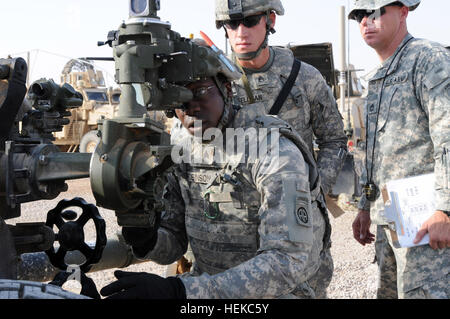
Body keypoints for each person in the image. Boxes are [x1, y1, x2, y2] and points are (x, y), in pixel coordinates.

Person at [100, 42, 332, 299]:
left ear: (227, 89)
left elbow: (286, 262)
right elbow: (174, 243)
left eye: (199, 92)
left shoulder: (273, 151)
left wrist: (180, 292)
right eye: (179, 99)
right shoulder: (181, 150)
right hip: (210, 291)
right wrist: (148, 240)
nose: (190, 108)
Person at [349, 0, 450, 298]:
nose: (367, 20)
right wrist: (365, 206)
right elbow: (374, 150)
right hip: (391, 217)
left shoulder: (428, 59)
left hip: (426, 219)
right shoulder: (379, 76)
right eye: (360, 15)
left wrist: (445, 208)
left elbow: (447, 136)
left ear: (404, 12)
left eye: (376, 11)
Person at [214, 0, 348, 196]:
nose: (241, 32)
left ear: (270, 20)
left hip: (292, 208)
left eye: (250, 21)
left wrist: (315, 194)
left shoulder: (305, 77)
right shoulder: (215, 82)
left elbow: (334, 140)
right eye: (232, 24)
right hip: (237, 212)